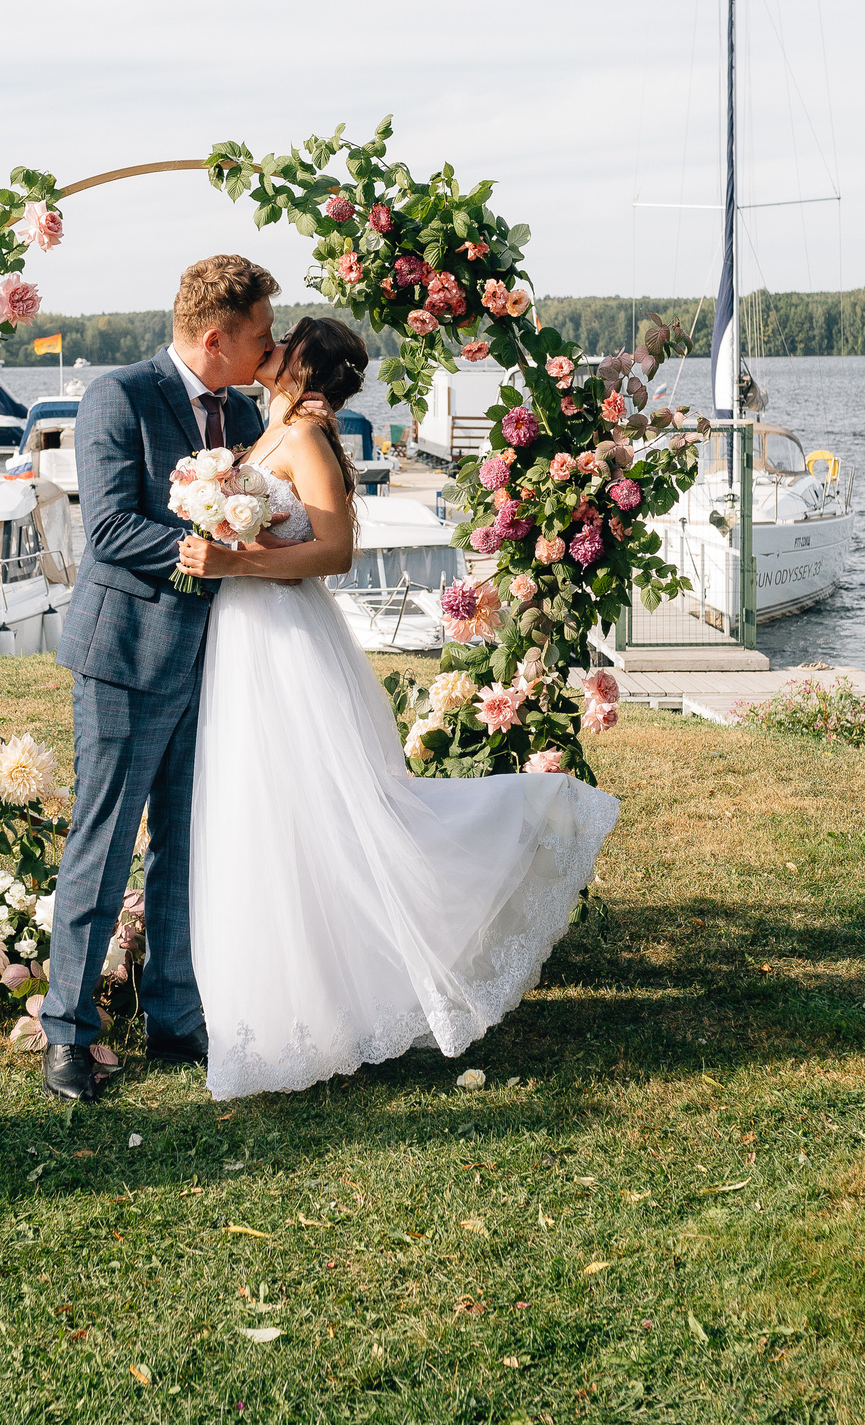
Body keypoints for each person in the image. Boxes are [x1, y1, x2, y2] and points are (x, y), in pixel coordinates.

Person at [186, 317, 619, 1100]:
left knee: (332, 808)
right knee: (274, 812)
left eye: (285, 339)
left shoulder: (306, 437)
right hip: (248, 634)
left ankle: (528, 816)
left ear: (304, 365)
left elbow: (335, 551)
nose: (271, 344)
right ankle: (295, 1010)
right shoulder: (272, 425)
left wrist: (235, 559)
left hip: (285, 634)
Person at [43, 254, 276, 1103]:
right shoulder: (120, 396)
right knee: (104, 843)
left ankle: (176, 1014)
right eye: (260, 334)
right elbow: (108, 529)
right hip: (126, 658)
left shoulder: (244, 410)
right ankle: (67, 1031)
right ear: (215, 338)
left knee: (186, 841)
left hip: (213, 663)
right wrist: (209, 548)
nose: (270, 347)